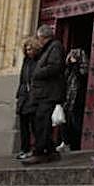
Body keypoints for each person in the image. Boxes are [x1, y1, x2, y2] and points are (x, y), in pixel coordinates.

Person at [22, 25, 66, 165]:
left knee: (42, 121)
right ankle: (51, 150)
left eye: (39, 37)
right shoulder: (46, 49)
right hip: (42, 93)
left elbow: (55, 66)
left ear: (43, 37)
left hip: (49, 92)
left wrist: (37, 72)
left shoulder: (55, 47)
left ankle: (40, 152)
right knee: (38, 120)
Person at [14, 37, 38, 160]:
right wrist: (19, 95)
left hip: (33, 96)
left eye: (30, 49)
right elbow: (22, 79)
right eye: (27, 50)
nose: (29, 52)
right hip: (24, 97)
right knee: (23, 125)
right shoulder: (26, 61)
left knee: (35, 124)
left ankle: (37, 148)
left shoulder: (38, 61)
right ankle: (24, 148)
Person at [64, 48, 89, 151]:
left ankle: (76, 145)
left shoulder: (80, 69)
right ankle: (67, 143)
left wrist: (75, 65)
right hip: (68, 99)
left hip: (77, 99)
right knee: (67, 122)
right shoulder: (68, 69)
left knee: (76, 122)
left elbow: (81, 76)